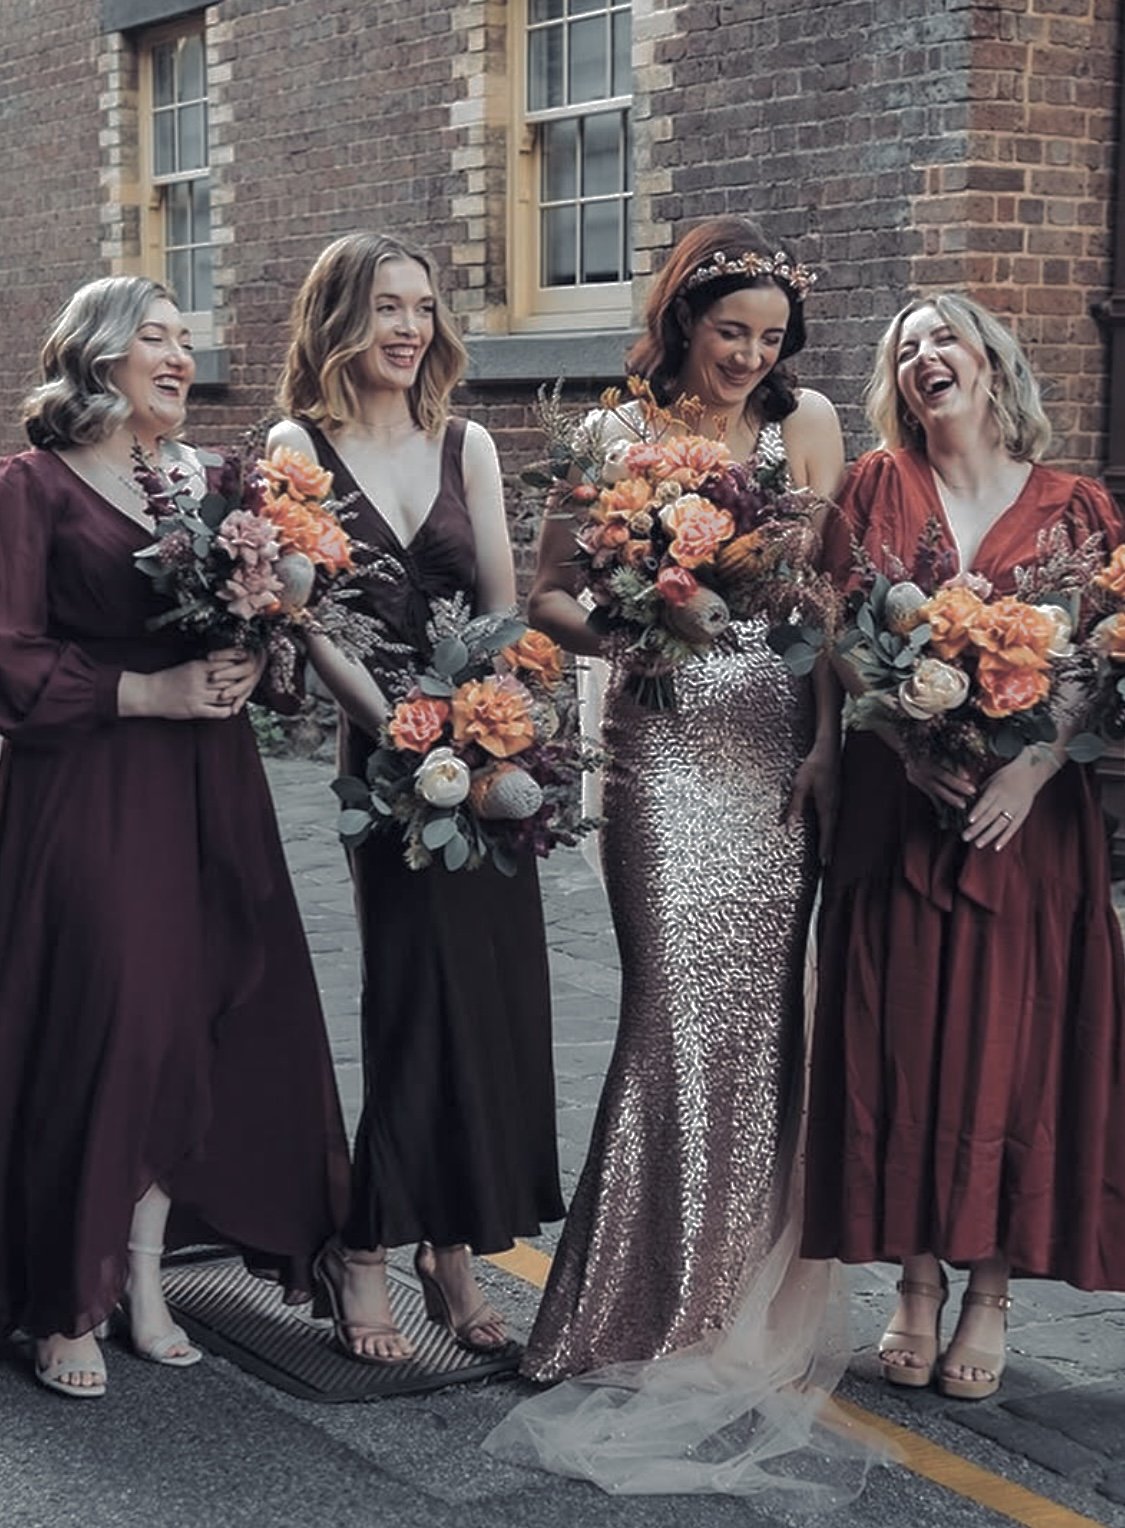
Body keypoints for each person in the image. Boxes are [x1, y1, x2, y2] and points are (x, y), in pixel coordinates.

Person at [483, 217, 879, 1505]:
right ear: (683, 324)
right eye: (729, 336)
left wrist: (826, 745)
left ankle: (740, 1312)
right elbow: (546, 595)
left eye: (769, 341)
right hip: (662, 739)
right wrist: (643, 615)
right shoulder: (612, 434)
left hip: (771, 741)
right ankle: (629, 1303)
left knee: (767, 1024)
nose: (748, 360)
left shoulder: (806, 424)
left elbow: (831, 605)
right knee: (667, 1014)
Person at [0, 275, 350, 1399]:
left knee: (200, 1012)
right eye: (156, 336)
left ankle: (143, 1276)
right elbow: (4, 651)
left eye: (186, 340)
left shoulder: (220, 481)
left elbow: (275, 618)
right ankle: (65, 1291)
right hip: (93, 783)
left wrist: (259, 652)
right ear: (97, 355)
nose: (180, 356)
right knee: (114, 1017)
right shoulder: (33, 488)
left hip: (214, 781)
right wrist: (142, 693)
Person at [802, 293, 1125, 1402]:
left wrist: (1040, 765)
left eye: (945, 337)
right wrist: (895, 736)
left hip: (1029, 827)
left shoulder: (1078, 504)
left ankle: (990, 1290)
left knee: (1013, 1046)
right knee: (904, 1036)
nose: (925, 356)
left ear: (992, 361)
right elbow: (834, 636)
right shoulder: (872, 487)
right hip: (905, 810)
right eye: (905, 347)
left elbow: (1101, 660)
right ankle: (917, 1280)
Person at [269, 232, 565, 1364]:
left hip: (485, 764)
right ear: (342, 317)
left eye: (423, 309)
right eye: (386, 307)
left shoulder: (469, 442)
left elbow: (501, 604)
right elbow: (311, 619)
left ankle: (455, 1244)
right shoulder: (297, 443)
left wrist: (494, 736)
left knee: (490, 1000)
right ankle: (367, 1249)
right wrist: (398, 730)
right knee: (408, 1001)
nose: (408, 328)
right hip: (385, 764)